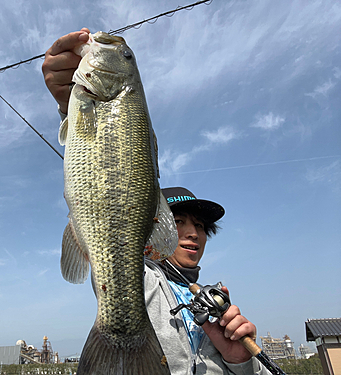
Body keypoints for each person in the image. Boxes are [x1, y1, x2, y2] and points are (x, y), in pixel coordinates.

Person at [42, 29, 269, 375]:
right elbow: (100, 149)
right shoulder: (142, 277)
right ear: (155, 226)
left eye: (201, 226)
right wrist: (67, 104)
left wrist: (239, 361)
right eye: (178, 223)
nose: (192, 234)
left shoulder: (217, 308)